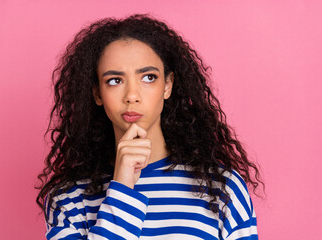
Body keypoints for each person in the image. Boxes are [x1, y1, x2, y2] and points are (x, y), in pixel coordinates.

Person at [36, 14, 263, 240]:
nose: (132, 96)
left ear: (167, 85)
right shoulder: (68, 198)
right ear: (97, 93)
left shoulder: (222, 189)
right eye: (115, 80)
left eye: (148, 77)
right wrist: (122, 187)